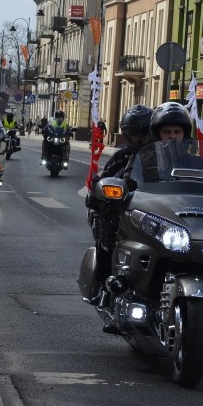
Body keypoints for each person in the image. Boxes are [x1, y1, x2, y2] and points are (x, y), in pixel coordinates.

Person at [86, 105, 154, 305]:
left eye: (144, 135)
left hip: (153, 213)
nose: (139, 140)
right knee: (108, 242)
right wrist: (99, 192)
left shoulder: (162, 157)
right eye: (134, 135)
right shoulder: (122, 156)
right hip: (121, 215)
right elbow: (102, 181)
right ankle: (105, 289)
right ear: (126, 135)